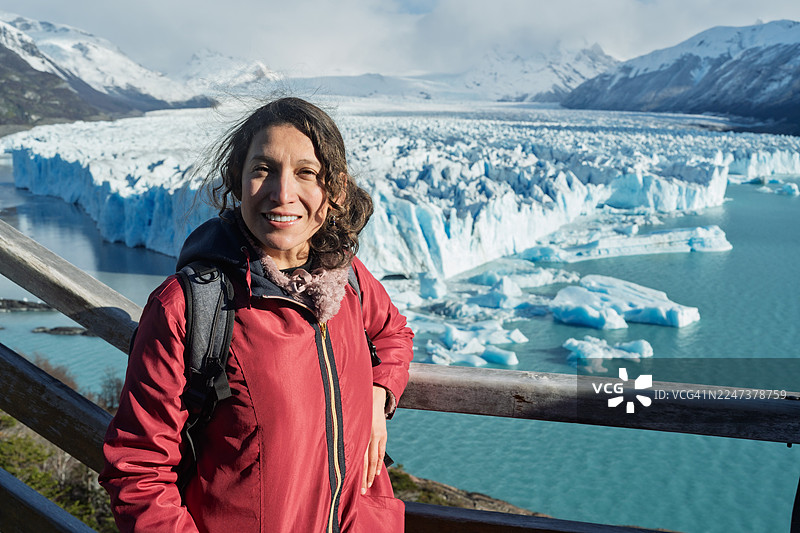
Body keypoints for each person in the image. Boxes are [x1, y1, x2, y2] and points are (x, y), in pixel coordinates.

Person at [100, 97, 414, 532]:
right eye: (263, 169)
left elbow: (394, 333)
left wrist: (380, 395)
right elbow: (138, 470)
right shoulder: (187, 308)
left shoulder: (349, 278)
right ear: (237, 180)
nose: (282, 193)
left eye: (307, 172)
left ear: (335, 189)